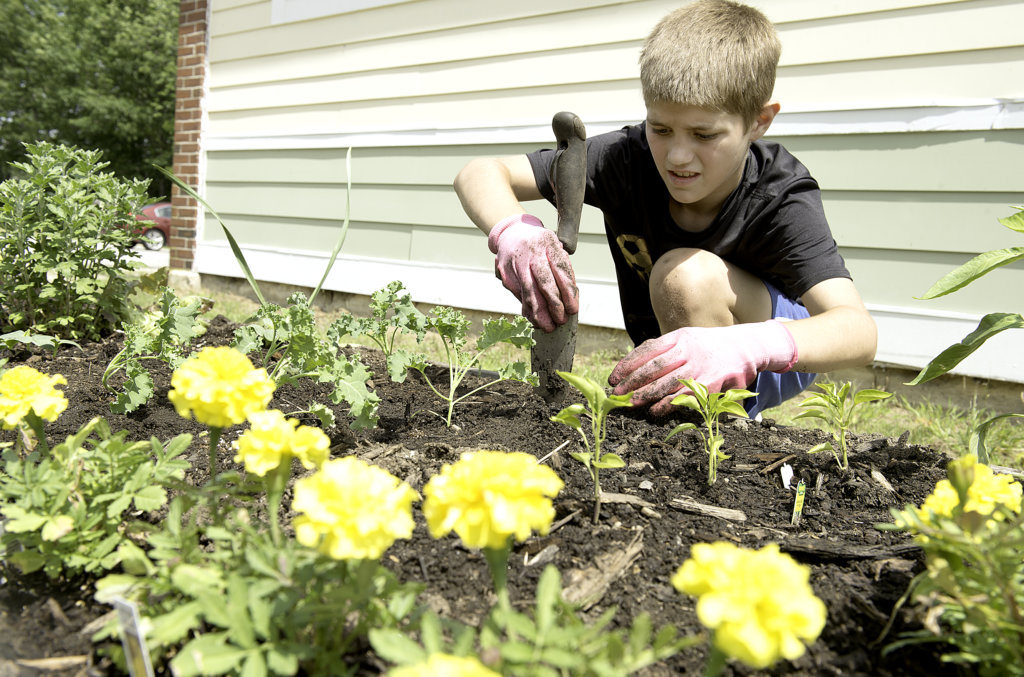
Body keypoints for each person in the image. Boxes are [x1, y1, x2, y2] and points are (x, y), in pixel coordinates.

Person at [453, 0, 877, 419]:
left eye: (704, 135)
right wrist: (515, 230)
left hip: (767, 348)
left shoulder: (779, 194)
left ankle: (721, 428)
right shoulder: (626, 159)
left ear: (759, 122)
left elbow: (858, 331)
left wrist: (745, 346)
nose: (677, 156)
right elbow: (478, 173)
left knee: (686, 277)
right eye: (660, 128)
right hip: (678, 344)